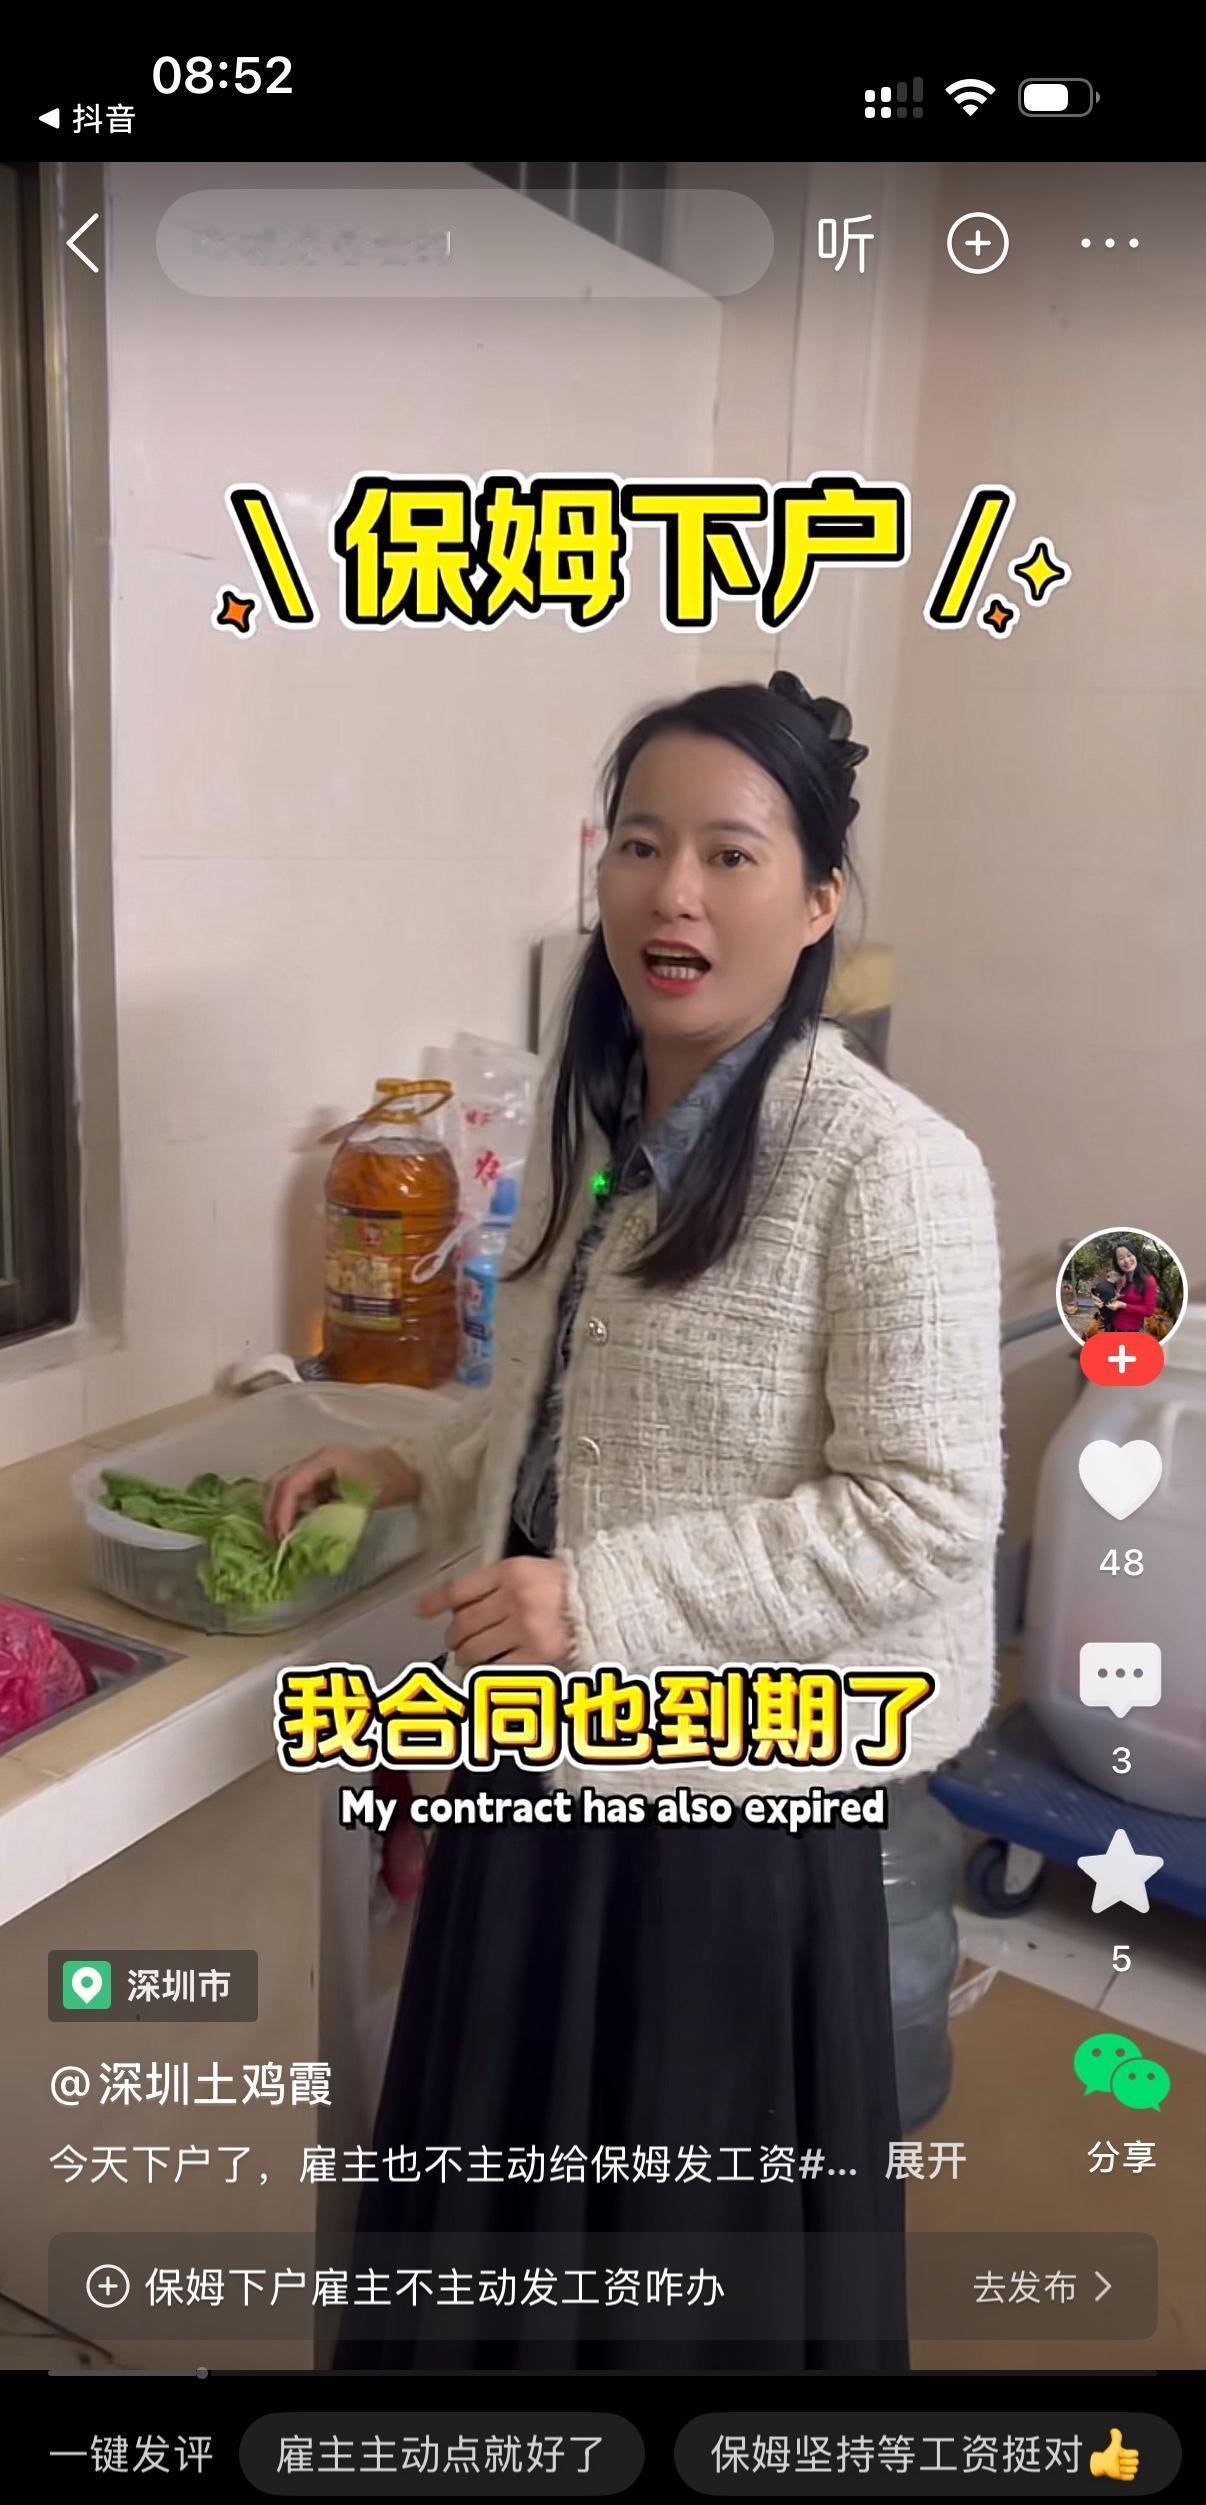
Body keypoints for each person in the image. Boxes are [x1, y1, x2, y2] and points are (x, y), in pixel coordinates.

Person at [269, 671, 1003, 2371]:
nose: (674, 894)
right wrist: (411, 1467)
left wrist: (597, 1603)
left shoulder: (886, 1161)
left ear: (815, 903)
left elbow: (924, 1512)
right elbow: (572, 1407)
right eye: (641, 845)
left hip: (724, 1819)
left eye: (731, 855)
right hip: (534, 1768)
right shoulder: (592, 1113)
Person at [1108, 1242, 1158, 1333]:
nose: (1126, 1260)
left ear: (1136, 1256)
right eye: (1121, 1258)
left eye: (1129, 1255)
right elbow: (1105, 1295)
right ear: (1117, 1263)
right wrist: (1096, 1298)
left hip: (1133, 1331)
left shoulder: (1148, 1281)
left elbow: (1149, 1310)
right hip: (1112, 1328)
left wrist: (1123, 1305)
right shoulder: (1117, 1279)